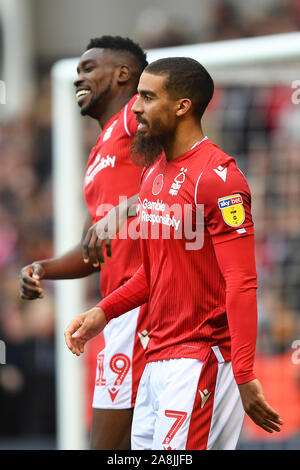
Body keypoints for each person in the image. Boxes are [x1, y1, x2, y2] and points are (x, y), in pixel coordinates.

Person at [64, 57, 283, 450]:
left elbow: (242, 281)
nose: (136, 107)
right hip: (158, 359)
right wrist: (104, 311)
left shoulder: (219, 179)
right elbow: (153, 274)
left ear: (182, 106)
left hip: (203, 360)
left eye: (148, 97)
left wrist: (246, 374)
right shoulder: (153, 172)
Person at [19, 36, 149, 450]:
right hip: (119, 309)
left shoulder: (137, 116)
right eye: (78, 68)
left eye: (90, 67)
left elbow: (186, 181)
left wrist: (123, 211)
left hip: (148, 303)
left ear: (123, 73)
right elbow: (96, 249)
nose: (79, 76)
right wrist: (45, 268)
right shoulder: (99, 152)